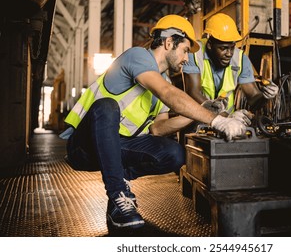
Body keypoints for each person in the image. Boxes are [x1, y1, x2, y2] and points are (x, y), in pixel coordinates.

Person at [59, 14, 247, 230]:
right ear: (169, 42)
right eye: (185, 50)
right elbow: (168, 93)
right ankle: (118, 193)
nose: (187, 59)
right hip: (84, 147)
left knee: (175, 153)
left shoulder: (163, 80)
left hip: (117, 148)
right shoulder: (137, 56)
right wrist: (215, 121)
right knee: (107, 106)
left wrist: (202, 112)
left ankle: (119, 181)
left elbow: (158, 129)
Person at [182, 13, 279, 116]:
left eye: (232, 47)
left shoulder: (241, 59)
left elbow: (253, 99)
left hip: (228, 124)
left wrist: (266, 96)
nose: (229, 54)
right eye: (223, 48)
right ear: (210, 45)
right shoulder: (195, 53)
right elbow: (192, 92)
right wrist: (222, 116)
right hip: (198, 118)